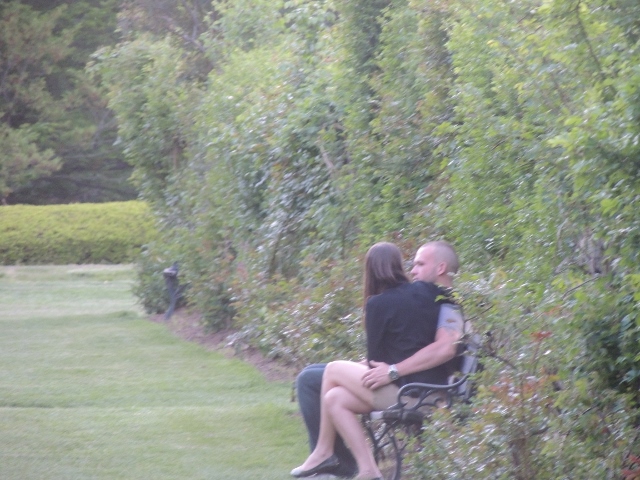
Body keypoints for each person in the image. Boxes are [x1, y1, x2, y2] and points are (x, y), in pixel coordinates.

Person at [291, 241, 463, 479]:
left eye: (420, 264)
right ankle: (366, 470)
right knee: (333, 395)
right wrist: (380, 365)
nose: (412, 270)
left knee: (320, 375)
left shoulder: (447, 302)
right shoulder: (427, 297)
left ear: (441, 267)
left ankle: (325, 455)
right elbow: (405, 343)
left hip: (419, 392)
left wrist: (393, 370)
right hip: (409, 384)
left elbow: (445, 348)